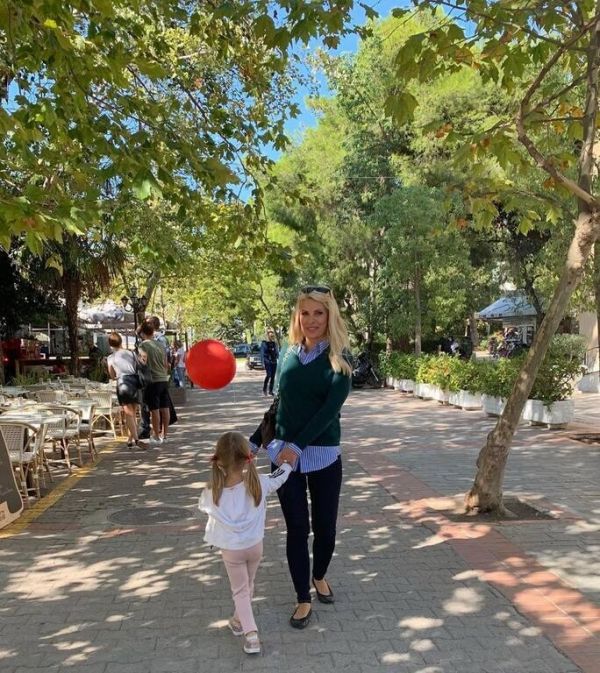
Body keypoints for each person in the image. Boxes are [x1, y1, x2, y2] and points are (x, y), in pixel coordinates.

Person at [249, 285, 352, 629]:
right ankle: (302, 597)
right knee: (297, 528)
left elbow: (328, 412)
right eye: (305, 313)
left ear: (329, 316)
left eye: (318, 313)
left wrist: (298, 446)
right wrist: (253, 443)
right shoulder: (288, 354)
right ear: (297, 316)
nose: (311, 320)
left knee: (325, 529)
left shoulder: (339, 361)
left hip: (323, 456)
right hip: (282, 457)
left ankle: (319, 575)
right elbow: (278, 405)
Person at [198, 431, 292, 655]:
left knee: (240, 590)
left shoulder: (212, 492)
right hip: (255, 546)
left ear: (219, 461)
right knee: (247, 585)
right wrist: (288, 465)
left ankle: (251, 636)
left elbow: (203, 506)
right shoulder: (259, 483)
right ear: (247, 457)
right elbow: (280, 476)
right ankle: (238, 621)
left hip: (232, 550)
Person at [106, 332, 146, 449]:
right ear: (121, 341)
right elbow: (139, 365)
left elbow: (112, 375)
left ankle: (136, 440)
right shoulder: (131, 353)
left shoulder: (111, 358)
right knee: (133, 412)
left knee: (128, 413)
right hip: (134, 382)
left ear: (110, 344)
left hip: (123, 383)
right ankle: (130, 439)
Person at [138, 321, 170, 446]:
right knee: (165, 407)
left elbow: (143, 360)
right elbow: (166, 363)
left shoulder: (143, 345)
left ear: (143, 333)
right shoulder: (160, 345)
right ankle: (165, 435)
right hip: (163, 378)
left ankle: (156, 435)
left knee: (154, 409)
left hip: (153, 380)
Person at [259, 331, 279, 396]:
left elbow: (277, 352)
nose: (271, 337)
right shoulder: (264, 343)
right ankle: (264, 389)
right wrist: (262, 363)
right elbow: (262, 353)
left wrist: (279, 359)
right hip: (267, 361)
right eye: (270, 336)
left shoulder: (274, 343)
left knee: (273, 377)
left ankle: (270, 391)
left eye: (272, 336)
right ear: (268, 336)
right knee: (269, 375)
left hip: (274, 362)